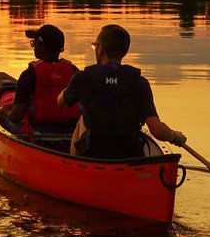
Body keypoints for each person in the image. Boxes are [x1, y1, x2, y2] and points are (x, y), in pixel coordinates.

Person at [62, 24, 186, 159]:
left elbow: (61, 102)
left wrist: (72, 86)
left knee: (81, 120)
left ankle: (75, 166)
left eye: (95, 45)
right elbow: (157, 130)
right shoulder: (140, 82)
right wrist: (174, 136)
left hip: (92, 153)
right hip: (130, 155)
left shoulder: (83, 77)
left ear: (100, 49)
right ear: (124, 52)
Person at [0, 23, 79, 139]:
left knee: (0, 117)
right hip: (71, 133)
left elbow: (16, 116)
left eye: (34, 43)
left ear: (41, 47)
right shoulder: (74, 71)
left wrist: (4, 111)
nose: (33, 46)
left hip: (40, 135)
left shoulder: (29, 75)